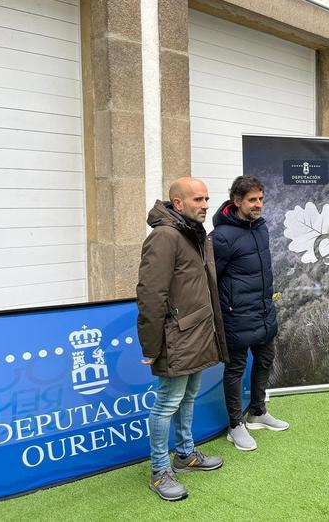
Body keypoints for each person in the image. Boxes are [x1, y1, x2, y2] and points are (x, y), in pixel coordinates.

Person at [136, 177, 228, 501]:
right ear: (178, 203)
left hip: (199, 333)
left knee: (188, 396)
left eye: (206, 199)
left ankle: (185, 453)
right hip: (176, 339)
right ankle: (160, 472)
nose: (205, 205)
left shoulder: (193, 234)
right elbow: (150, 295)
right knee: (166, 404)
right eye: (198, 200)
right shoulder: (164, 237)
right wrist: (150, 346)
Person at [212, 175, 288, 452]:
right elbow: (212, 280)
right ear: (237, 201)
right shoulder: (221, 237)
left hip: (263, 309)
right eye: (252, 200)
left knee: (266, 358)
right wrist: (223, 312)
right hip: (236, 315)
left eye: (261, 199)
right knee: (236, 368)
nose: (258, 205)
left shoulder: (261, 229)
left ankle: (257, 411)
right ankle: (235, 425)